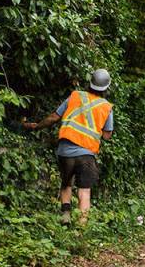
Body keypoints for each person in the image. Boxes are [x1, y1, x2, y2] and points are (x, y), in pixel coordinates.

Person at [23, 69, 114, 223]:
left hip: (65, 151)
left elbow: (54, 117)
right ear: (106, 87)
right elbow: (106, 135)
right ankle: (81, 226)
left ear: (90, 83)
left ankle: (65, 215)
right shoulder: (106, 107)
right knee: (84, 190)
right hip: (86, 153)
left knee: (66, 183)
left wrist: (37, 126)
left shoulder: (75, 96)